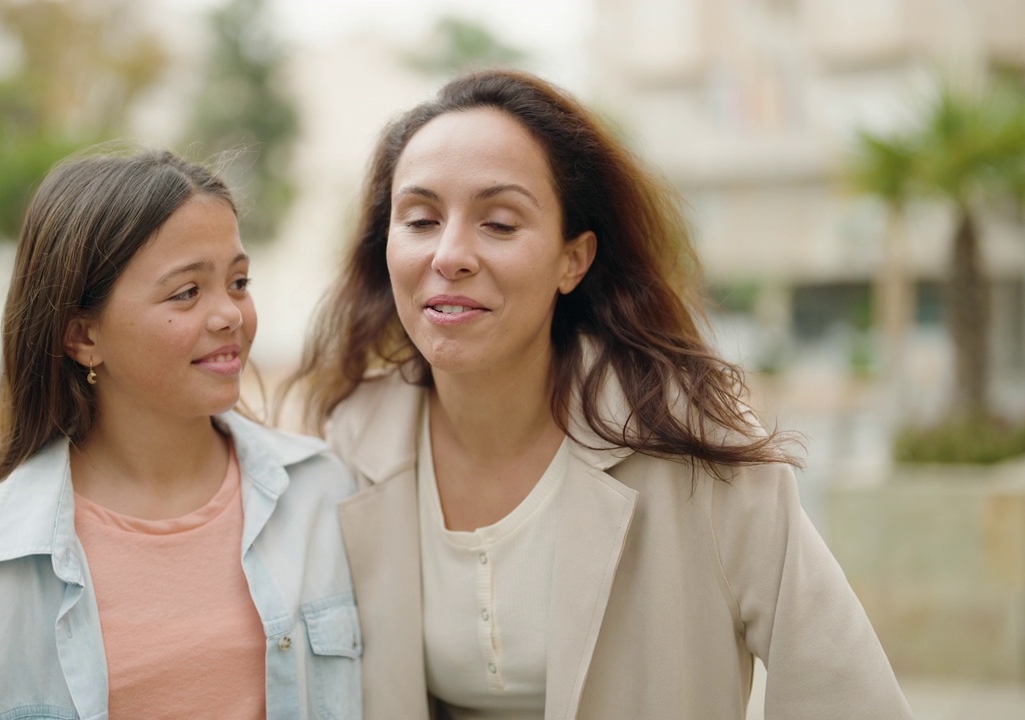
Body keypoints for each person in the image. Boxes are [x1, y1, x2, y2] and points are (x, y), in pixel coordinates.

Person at [285, 70, 911, 719]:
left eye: (499, 223)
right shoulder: (347, 447)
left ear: (573, 259)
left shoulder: (700, 449)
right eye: (419, 219)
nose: (450, 254)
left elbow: (850, 695)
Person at [0, 147, 362, 720]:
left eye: (238, 282)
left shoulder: (325, 496)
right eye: (186, 292)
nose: (230, 315)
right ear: (82, 337)